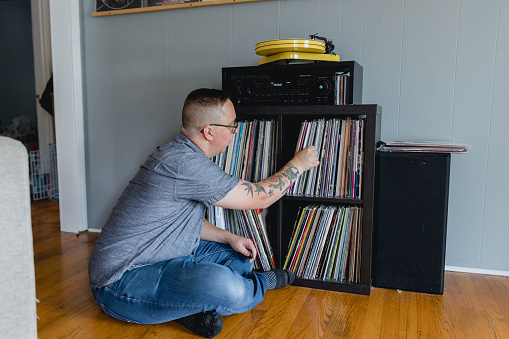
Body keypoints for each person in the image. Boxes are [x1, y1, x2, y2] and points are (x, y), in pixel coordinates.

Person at [88, 88, 319, 338]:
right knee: (228, 289)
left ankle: (185, 308)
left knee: (241, 256)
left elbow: (178, 222)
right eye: (232, 125)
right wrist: (299, 164)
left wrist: (228, 237)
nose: (235, 131)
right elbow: (260, 197)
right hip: (120, 281)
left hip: (169, 255)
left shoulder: (183, 153)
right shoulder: (183, 163)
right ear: (209, 131)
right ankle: (261, 283)